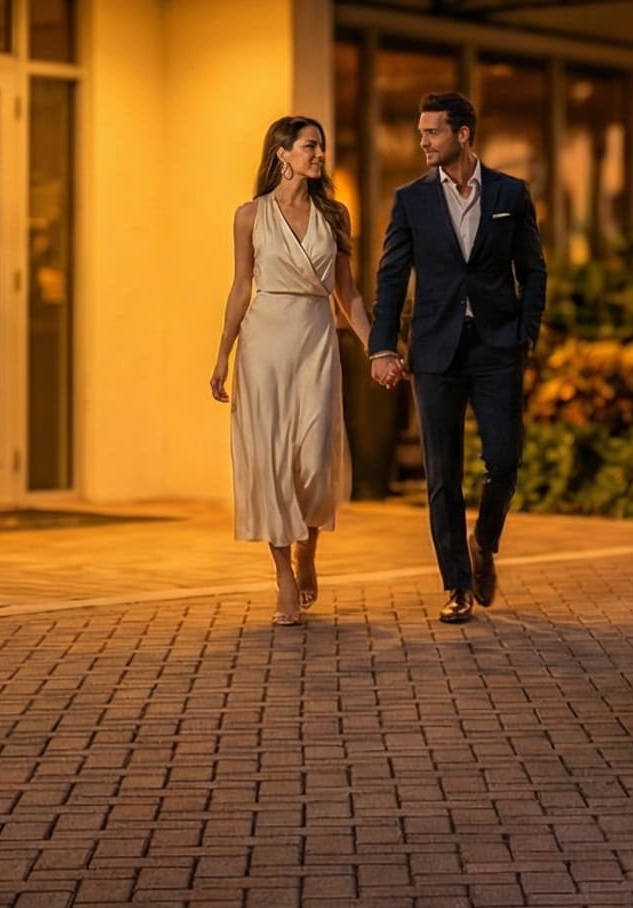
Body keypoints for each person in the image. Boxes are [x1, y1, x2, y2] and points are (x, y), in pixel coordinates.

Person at [368, 92, 547, 625]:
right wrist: (383, 346)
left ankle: (483, 540)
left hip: (496, 346)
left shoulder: (511, 193)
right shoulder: (411, 200)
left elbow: (532, 269)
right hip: (435, 349)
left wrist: (525, 333)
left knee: (505, 460)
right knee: (442, 474)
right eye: (421, 132)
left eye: (432, 132)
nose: (422, 141)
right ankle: (457, 586)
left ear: (463, 135)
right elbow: (392, 277)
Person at [211, 116, 374, 627]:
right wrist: (222, 354)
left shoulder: (334, 213)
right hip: (263, 344)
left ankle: (309, 549)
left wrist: (379, 350)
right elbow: (241, 287)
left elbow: (346, 293)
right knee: (273, 462)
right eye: (310, 146)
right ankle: (283, 574)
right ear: (282, 153)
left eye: (321, 147)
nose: (319, 154)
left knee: (312, 458)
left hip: (315, 340)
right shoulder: (249, 216)